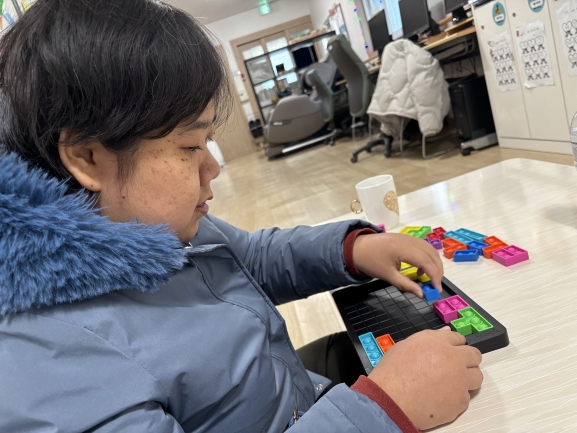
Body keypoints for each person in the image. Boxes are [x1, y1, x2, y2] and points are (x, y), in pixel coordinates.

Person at [0, 1, 483, 432]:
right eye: (189, 146)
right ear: (87, 157)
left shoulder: (152, 223)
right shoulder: (48, 360)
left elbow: (250, 257)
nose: (212, 167)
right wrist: (382, 411)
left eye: (208, 140)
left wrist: (352, 248)